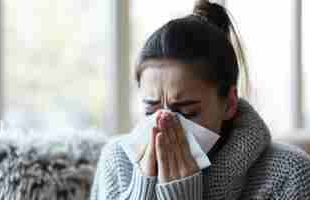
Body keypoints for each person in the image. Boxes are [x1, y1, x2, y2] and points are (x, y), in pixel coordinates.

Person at [90, 0, 310, 199]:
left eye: (186, 111)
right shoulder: (116, 159)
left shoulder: (289, 173)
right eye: (151, 110)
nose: (163, 124)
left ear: (230, 103)